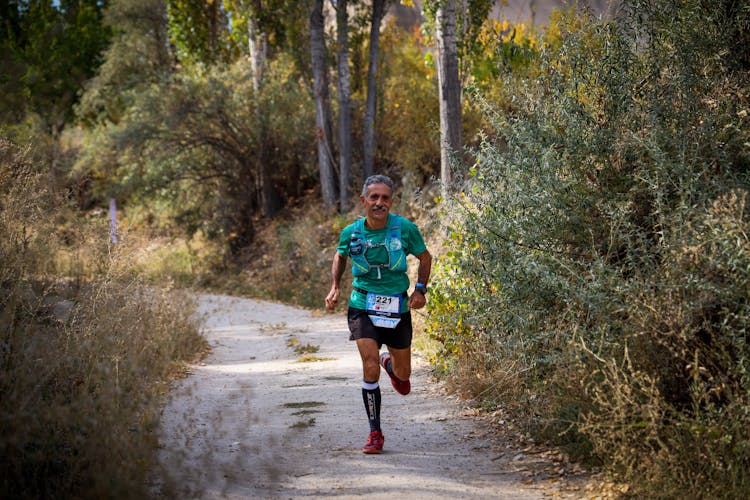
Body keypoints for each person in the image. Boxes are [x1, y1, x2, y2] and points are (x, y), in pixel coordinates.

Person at [325, 174, 432, 454]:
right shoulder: (351, 232)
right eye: (374, 197)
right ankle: (375, 432)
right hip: (362, 304)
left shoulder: (405, 228)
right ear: (364, 201)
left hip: (397, 304)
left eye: (385, 198)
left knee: (404, 376)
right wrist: (335, 287)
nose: (379, 203)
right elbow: (340, 255)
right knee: (368, 366)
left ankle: (390, 365)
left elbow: (425, 257)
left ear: (391, 201)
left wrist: (419, 290)